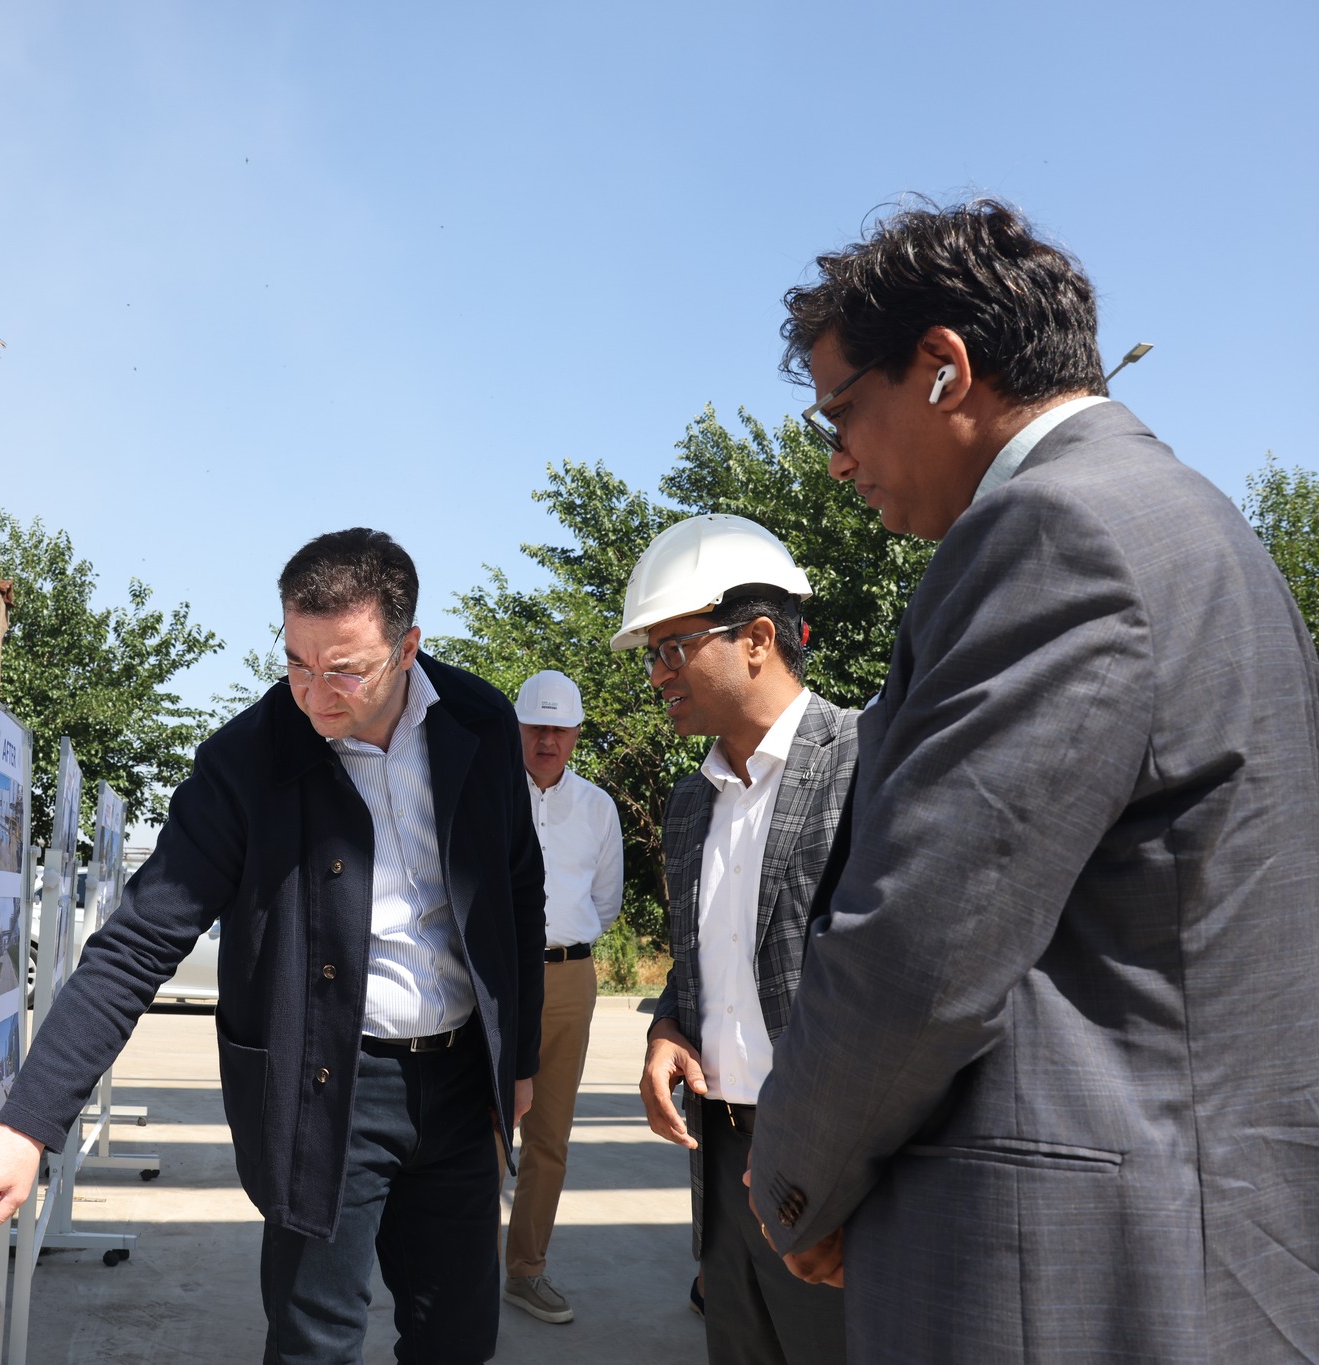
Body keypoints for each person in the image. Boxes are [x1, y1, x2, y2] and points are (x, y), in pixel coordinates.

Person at [748, 199, 1319, 1363]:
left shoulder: (1052, 532)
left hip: (1062, 1269)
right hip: (1197, 1232)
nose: (836, 458)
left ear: (942, 367)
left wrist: (796, 1177)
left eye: (840, 411)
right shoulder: (1190, 522)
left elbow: (922, 939)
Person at [0, 528, 547, 1365]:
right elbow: (137, 942)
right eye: (297, 663)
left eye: (345, 670)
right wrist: (28, 1123)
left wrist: (517, 1059)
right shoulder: (247, 761)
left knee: (457, 1337)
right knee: (315, 1342)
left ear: (408, 647)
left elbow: (516, 889)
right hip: (330, 1087)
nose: (314, 693)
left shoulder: (479, 722)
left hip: (460, 1084)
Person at [620, 514, 855, 1365]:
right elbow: (706, 958)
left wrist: (845, 1180)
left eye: (672, 648)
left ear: (757, 639)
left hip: (830, 1168)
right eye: (651, 654)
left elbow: (901, 988)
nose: (657, 673)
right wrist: (666, 1027)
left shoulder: (865, 763)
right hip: (722, 1158)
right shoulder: (694, 800)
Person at [500, 670, 623, 1325]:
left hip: (569, 977)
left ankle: (526, 1269)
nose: (546, 740)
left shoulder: (598, 808)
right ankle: (462, 1274)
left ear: (577, 734)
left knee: (549, 1135)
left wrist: (559, 944)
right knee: (484, 1127)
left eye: (559, 729)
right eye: (535, 727)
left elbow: (605, 902)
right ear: (517, 728)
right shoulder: (490, 795)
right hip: (496, 977)